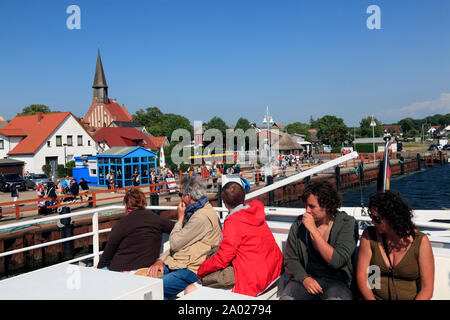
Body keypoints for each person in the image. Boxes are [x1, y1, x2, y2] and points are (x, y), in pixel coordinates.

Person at [190, 182, 283, 296]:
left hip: (255, 281)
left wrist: (201, 270)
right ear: (243, 196)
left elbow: (224, 257)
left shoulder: (233, 222)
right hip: (275, 271)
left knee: (190, 290)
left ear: (224, 203)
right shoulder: (255, 211)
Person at [146, 176, 221, 299]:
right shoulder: (197, 212)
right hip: (179, 263)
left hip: (191, 269)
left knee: (152, 288)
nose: (180, 197)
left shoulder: (201, 218)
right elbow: (180, 245)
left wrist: (179, 219)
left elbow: (175, 243)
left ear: (188, 196)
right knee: (144, 280)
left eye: (181, 194)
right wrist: (161, 260)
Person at [281, 180, 357, 300]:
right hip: (306, 279)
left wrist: (313, 230)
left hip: (337, 282)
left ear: (326, 206)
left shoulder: (347, 224)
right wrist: (304, 278)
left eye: (312, 206)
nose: (307, 211)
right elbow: (291, 260)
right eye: (306, 205)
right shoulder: (299, 225)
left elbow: (337, 260)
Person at [356, 191, 434, 300]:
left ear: (392, 218)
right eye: (371, 217)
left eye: (377, 219)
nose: (372, 222)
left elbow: (427, 289)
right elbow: (362, 277)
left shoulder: (420, 242)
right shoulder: (369, 236)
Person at [96, 189, 175, 272]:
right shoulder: (156, 219)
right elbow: (176, 229)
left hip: (121, 269)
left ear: (126, 205)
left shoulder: (121, 224)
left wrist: (98, 269)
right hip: (147, 268)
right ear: (143, 202)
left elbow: (107, 254)